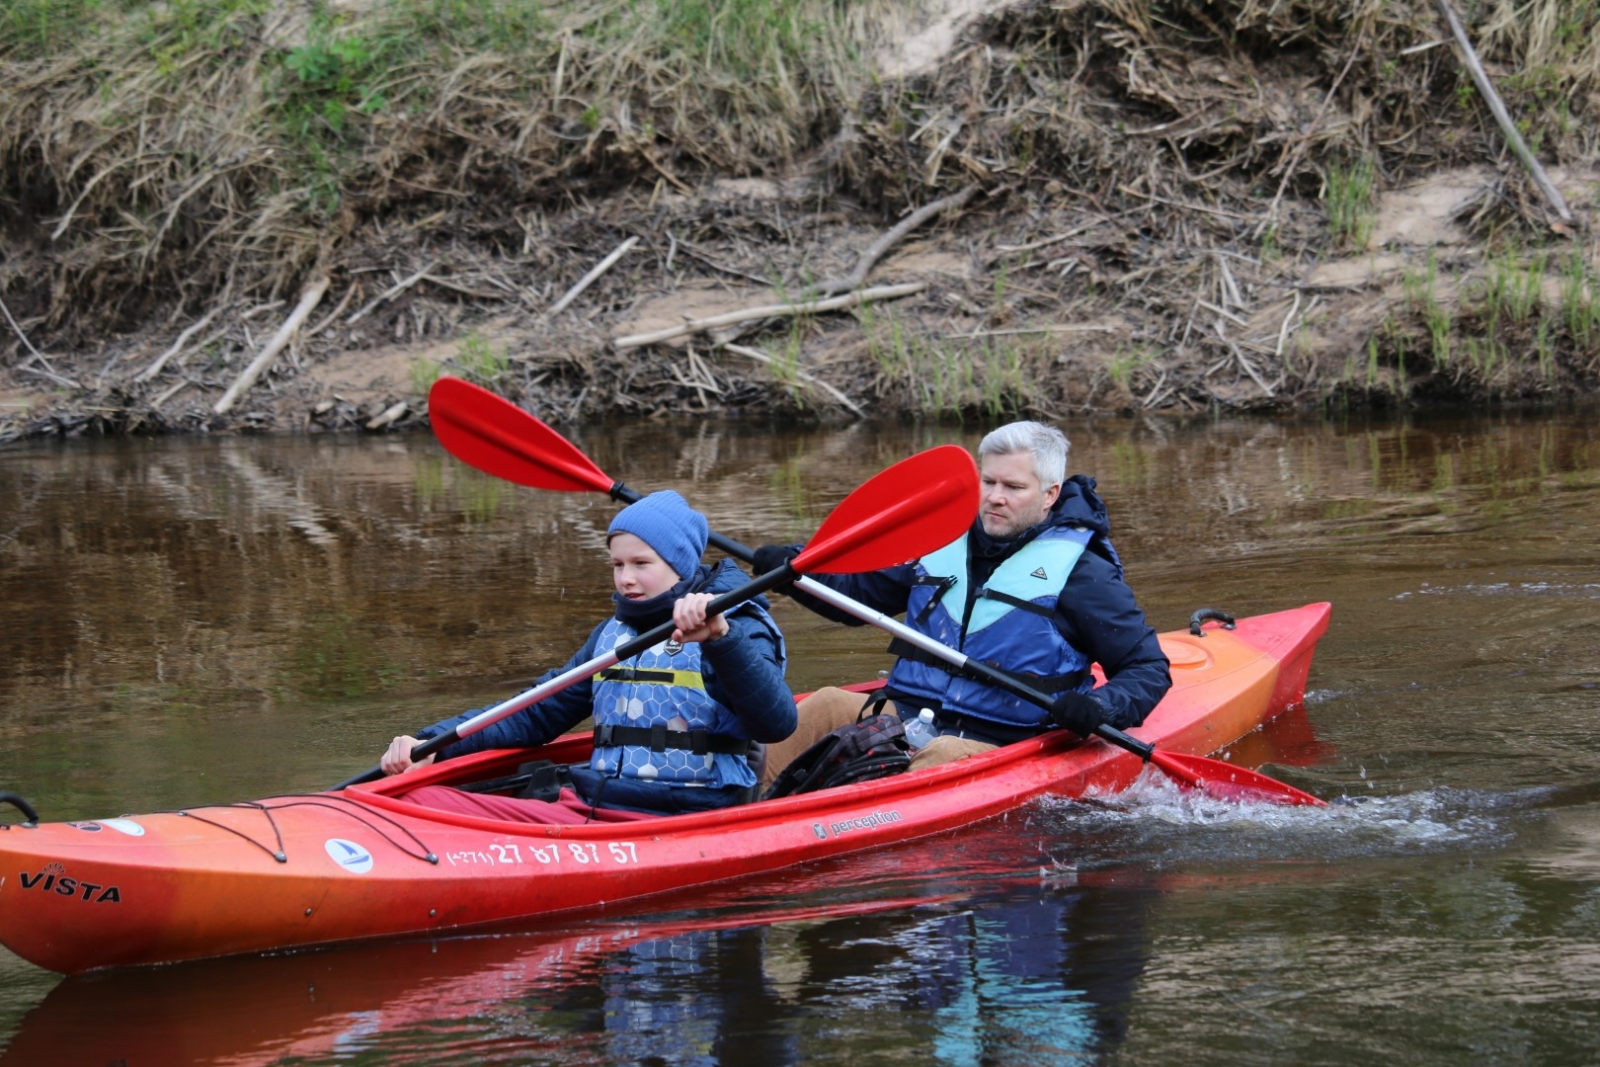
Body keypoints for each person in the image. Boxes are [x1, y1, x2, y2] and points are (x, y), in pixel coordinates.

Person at [754, 421, 1170, 785]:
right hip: (909, 713)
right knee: (825, 703)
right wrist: (797, 575)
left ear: (1050, 494)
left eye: (1013, 487)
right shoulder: (939, 538)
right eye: (988, 482)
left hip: (1001, 739)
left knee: (942, 756)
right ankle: (730, 806)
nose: (994, 497)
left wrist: (1099, 706)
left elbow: (1147, 668)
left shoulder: (1081, 571)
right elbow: (858, 596)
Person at [382, 490, 796, 820]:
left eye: (641, 563)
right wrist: (433, 741)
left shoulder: (736, 623)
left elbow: (775, 722)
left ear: (680, 565)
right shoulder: (612, 634)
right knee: (422, 800)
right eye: (617, 564)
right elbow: (536, 712)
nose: (626, 579)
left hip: (692, 812)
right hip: (601, 802)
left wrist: (720, 639)